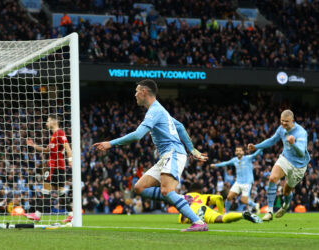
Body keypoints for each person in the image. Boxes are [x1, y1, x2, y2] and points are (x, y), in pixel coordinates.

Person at [93, 79, 209, 232]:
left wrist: (110, 143)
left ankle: (198, 222)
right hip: (166, 156)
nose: (135, 95)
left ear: (144, 92)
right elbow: (179, 126)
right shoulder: (159, 110)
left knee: (167, 190)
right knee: (139, 188)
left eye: (136, 91)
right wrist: (192, 150)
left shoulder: (156, 110)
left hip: (173, 153)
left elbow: (137, 135)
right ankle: (181, 199)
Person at [248, 110, 310, 221]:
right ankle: (270, 212)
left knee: (286, 191)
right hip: (285, 158)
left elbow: (301, 152)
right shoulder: (281, 129)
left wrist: (293, 143)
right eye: (282, 121)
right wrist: (256, 147)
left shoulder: (301, 132)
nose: (283, 124)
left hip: (299, 166)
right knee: (272, 178)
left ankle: (285, 205)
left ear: (293, 121)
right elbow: (272, 140)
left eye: (286, 121)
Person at [26, 114, 73, 221]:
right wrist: (34, 146)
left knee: (46, 189)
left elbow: (67, 147)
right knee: (60, 192)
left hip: (55, 167)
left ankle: (37, 215)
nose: (46, 123)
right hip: (57, 167)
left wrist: (70, 160)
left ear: (54, 122)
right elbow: (47, 150)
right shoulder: (53, 137)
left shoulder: (60, 133)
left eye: (48, 121)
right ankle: (71, 214)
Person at [211, 146, 262, 213]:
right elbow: (225, 163)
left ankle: (255, 205)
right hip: (238, 182)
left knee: (243, 200)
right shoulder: (234, 160)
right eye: (237, 151)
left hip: (247, 183)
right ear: (235, 152)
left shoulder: (248, 158)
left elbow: (255, 154)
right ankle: (226, 213)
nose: (238, 152)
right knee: (229, 197)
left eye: (240, 150)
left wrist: (262, 147)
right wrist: (215, 165)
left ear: (243, 152)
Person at [178, 187, 262, 224]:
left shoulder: (186, 196)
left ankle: (196, 218)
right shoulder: (203, 196)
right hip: (205, 208)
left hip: (189, 209)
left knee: (182, 220)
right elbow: (219, 197)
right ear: (199, 191)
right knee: (221, 219)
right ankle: (242, 215)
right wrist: (221, 212)